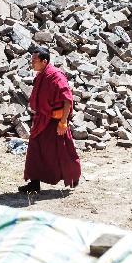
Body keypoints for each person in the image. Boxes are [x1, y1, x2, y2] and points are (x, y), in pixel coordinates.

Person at [19, 47, 82, 193]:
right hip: (42, 120)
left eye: (34, 61)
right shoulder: (42, 75)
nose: (32, 63)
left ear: (44, 61)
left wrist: (63, 122)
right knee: (35, 150)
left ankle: (73, 176)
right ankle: (34, 183)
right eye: (32, 60)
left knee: (63, 151)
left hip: (55, 122)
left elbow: (68, 100)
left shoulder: (56, 76)